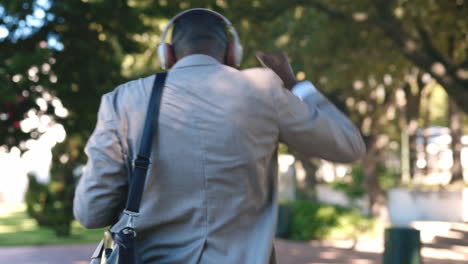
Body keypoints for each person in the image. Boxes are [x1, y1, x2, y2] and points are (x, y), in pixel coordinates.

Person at [74, 8, 366, 264]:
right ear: (231, 53)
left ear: (168, 54)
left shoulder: (122, 101)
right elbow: (349, 146)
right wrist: (295, 85)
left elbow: (91, 213)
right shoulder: (264, 90)